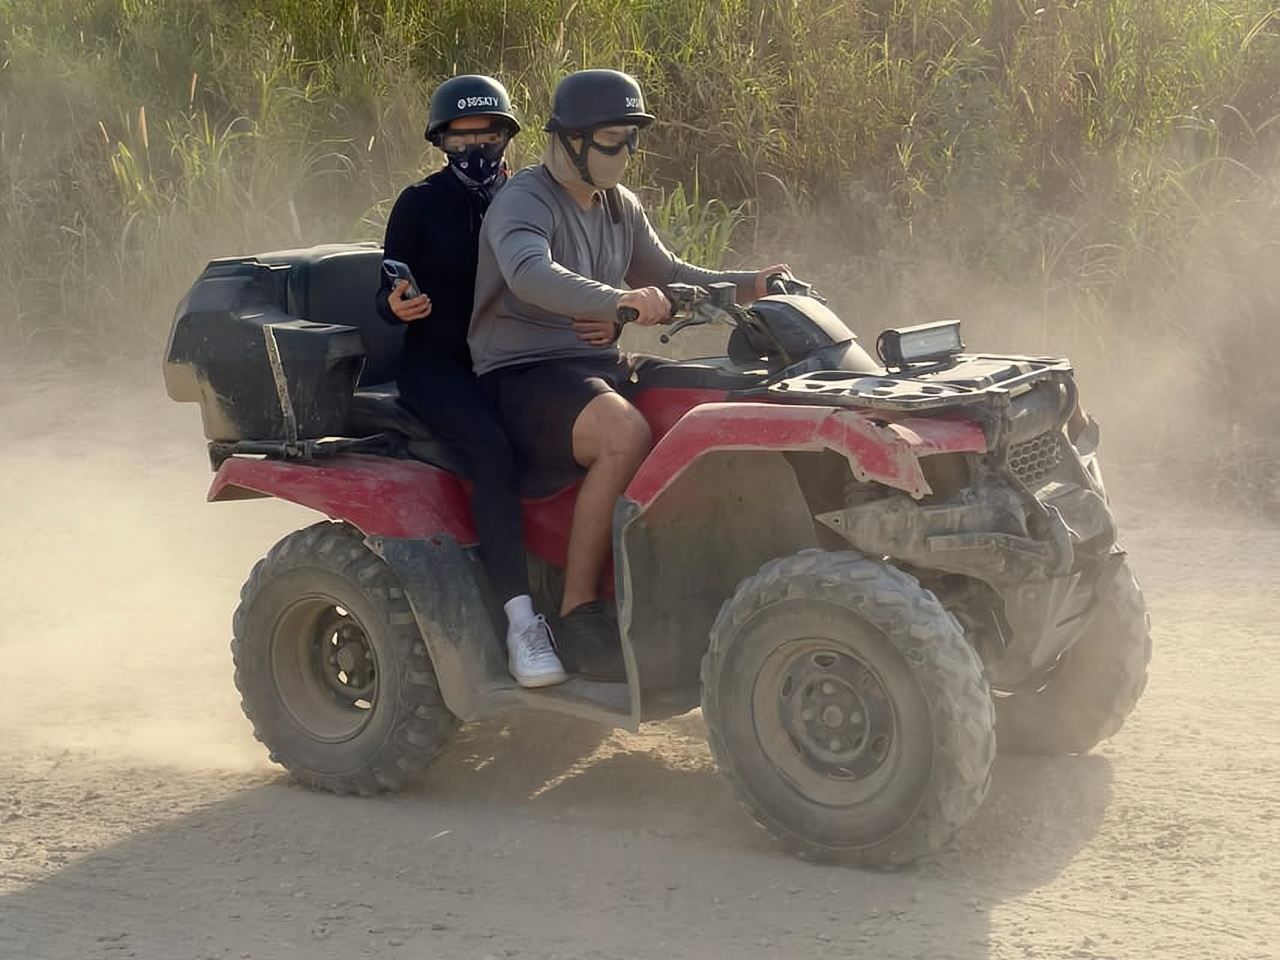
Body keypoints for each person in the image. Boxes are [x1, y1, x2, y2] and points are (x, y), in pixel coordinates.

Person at [469, 69, 788, 678]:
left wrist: (751, 284)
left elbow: (670, 274)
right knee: (624, 434)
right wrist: (617, 301)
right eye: (614, 140)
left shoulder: (619, 205)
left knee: (707, 402)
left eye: (631, 139)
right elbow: (530, 274)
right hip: (523, 372)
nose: (626, 152)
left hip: (596, 364)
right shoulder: (525, 199)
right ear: (572, 141)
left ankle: (681, 586)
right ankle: (579, 612)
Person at [376, 74, 566, 688]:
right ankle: (521, 623)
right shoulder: (419, 203)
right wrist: (396, 306)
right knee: (492, 449)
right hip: (440, 367)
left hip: (514, 360)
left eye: (489, 135)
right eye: (462, 137)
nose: (476, 147)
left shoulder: (531, 199)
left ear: (508, 137)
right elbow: (387, 290)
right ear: (441, 141)